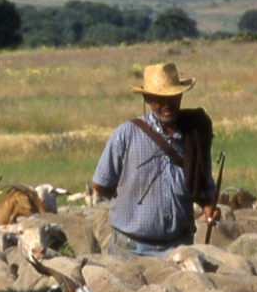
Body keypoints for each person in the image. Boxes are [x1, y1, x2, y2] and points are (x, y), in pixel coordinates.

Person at [89, 61, 218, 257]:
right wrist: (129, 204)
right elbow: (101, 184)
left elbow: (204, 186)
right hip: (130, 249)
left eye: (172, 97)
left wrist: (209, 207)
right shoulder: (126, 134)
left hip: (178, 248)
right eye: (159, 98)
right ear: (147, 98)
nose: (167, 104)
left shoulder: (195, 136)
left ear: (180, 95)